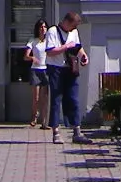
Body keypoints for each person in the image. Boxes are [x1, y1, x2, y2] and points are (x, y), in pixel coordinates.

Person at [44, 9, 90, 143]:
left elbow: (78, 48)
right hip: (55, 69)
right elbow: (50, 52)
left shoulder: (74, 32)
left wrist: (83, 55)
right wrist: (66, 46)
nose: (74, 28)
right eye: (73, 25)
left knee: (73, 99)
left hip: (70, 68)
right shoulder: (53, 31)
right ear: (66, 22)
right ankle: (55, 132)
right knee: (56, 98)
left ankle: (77, 131)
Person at [24, 19, 50, 128]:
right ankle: (34, 117)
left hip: (46, 70)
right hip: (36, 70)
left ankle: (44, 121)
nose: (43, 29)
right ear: (37, 29)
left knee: (45, 97)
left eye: (44, 27)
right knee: (36, 97)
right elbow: (25, 56)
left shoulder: (49, 41)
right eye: (41, 27)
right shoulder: (33, 41)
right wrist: (32, 57)